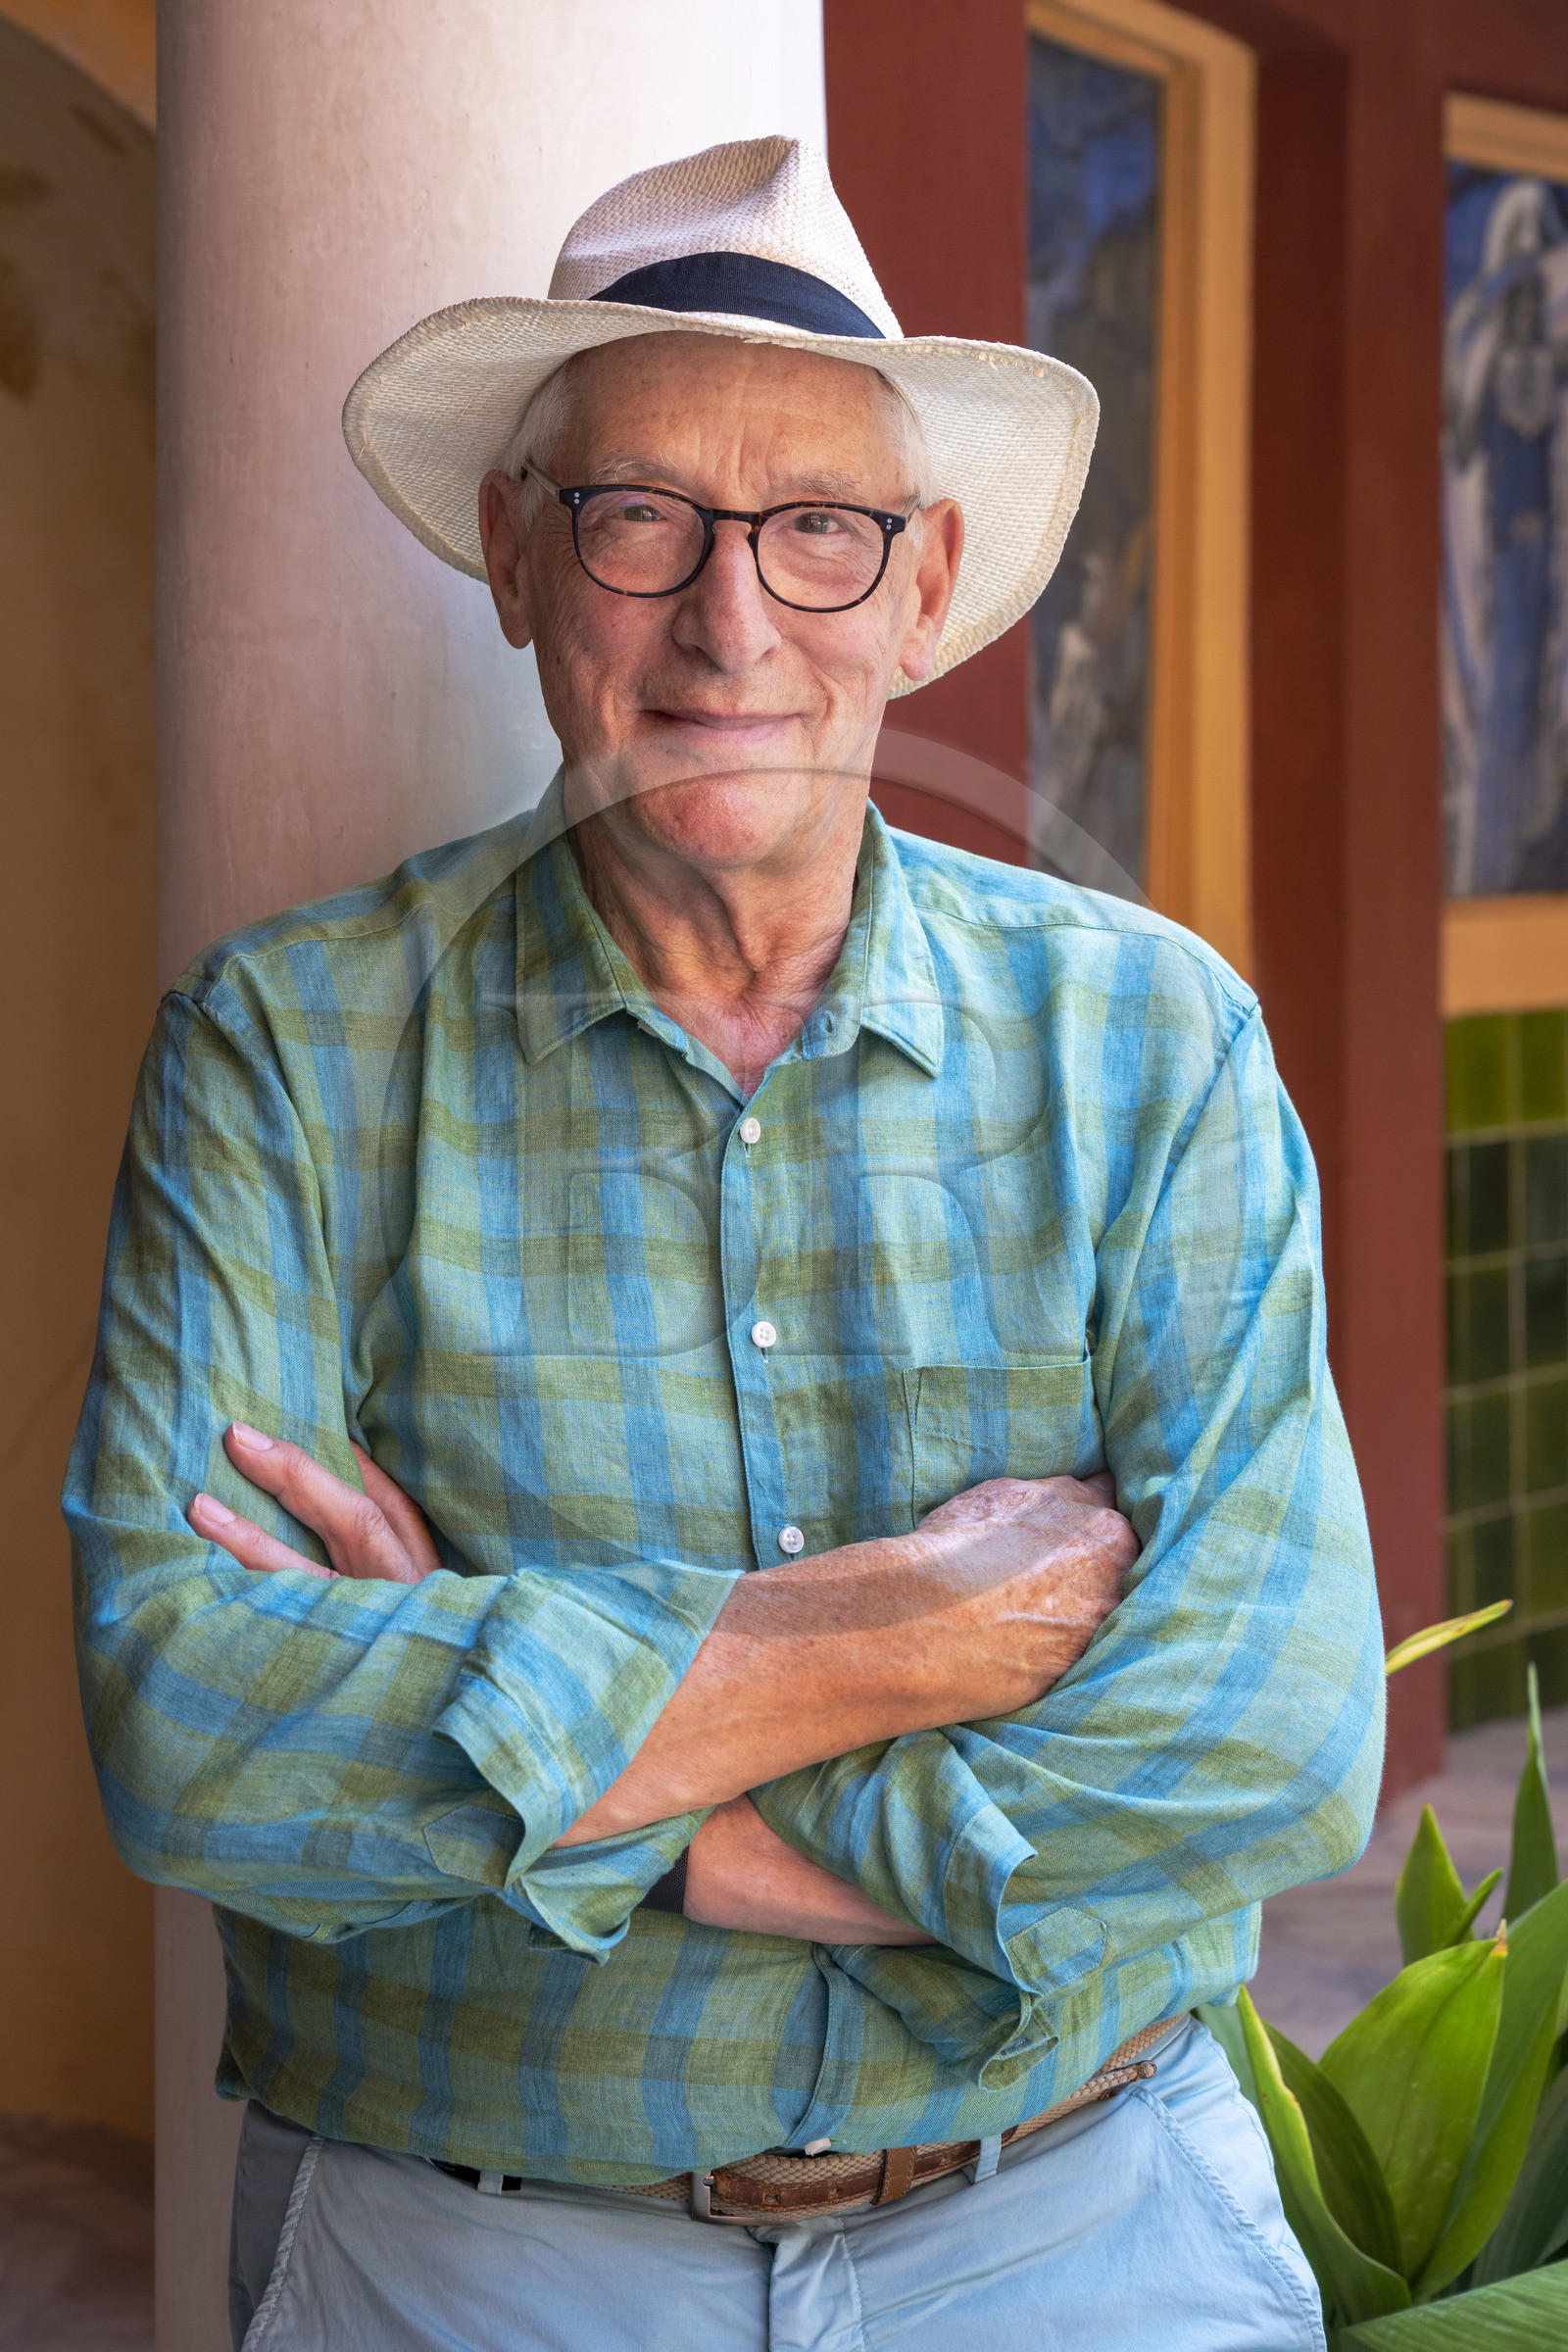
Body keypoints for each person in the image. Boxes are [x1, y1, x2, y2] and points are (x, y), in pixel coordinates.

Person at [67, 137, 1382, 2352]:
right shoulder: (285, 1051)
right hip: (464, 2256)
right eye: (640, 514)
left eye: (817, 531)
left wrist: (641, 1812)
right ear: (516, 555)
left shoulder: (1147, 1041)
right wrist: (888, 1623)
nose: (731, 618)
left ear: (920, 578)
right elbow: (192, 1724)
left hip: (1084, 2234)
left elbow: (1267, 1739)